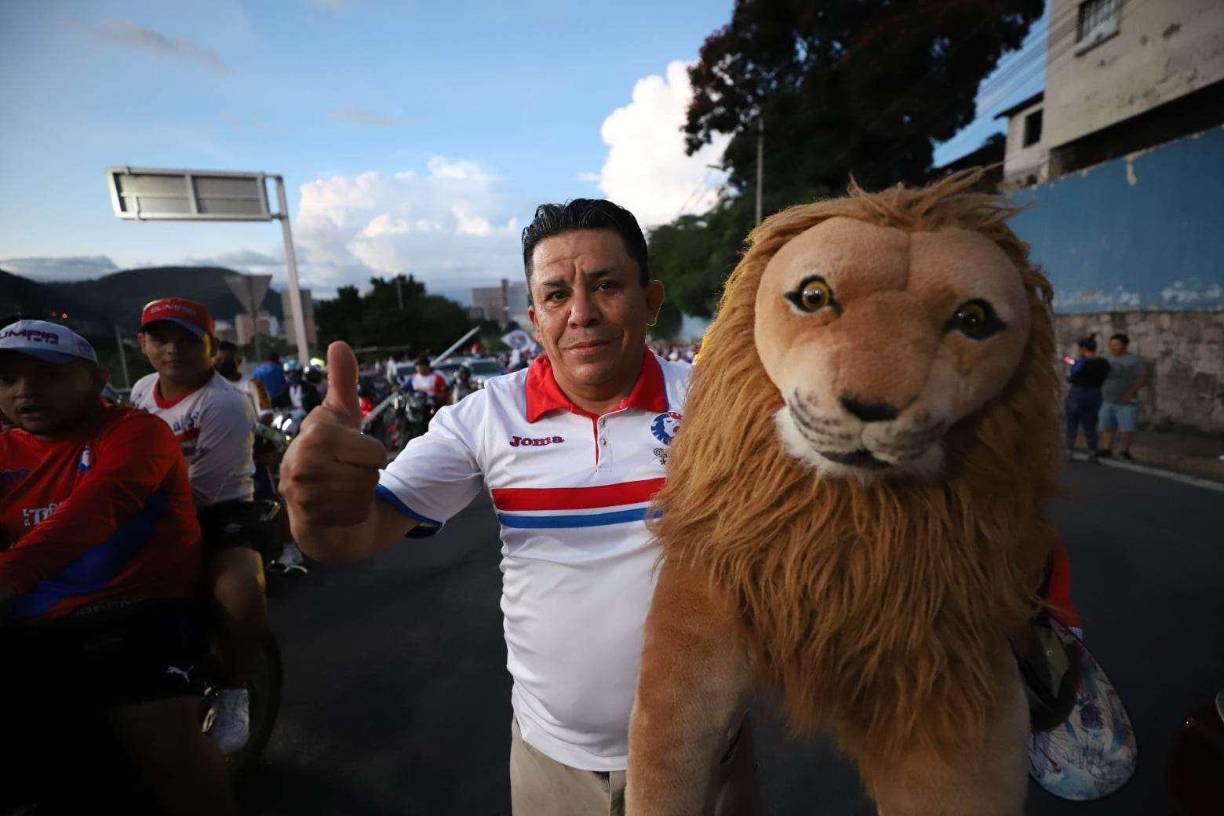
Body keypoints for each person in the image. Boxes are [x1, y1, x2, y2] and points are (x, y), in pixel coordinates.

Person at [279, 198, 755, 815]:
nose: (581, 314)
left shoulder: (719, 404)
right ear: (535, 318)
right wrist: (315, 508)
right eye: (556, 295)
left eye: (607, 285)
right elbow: (350, 535)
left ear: (651, 298)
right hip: (553, 766)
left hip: (706, 757)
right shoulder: (485, 417)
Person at [0, 319, 235, 815]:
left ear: (97, 379)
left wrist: (10, 575)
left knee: (165, 750)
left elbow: (98, 509)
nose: (25, 391)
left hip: (136, 611)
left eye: (48, 375)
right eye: (7, 380)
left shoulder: (137, 432)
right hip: (29, 619)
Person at [128, 298, 265, 753]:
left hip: (218, 510)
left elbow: (202, 492)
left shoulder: (225, 404)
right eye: (161, 339)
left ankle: (234, 687)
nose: (173, 350)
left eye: (188, 340)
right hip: (142, 507)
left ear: (211, 347)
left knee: (239, 591)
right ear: (142, 343)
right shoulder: (143, 390)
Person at [1098, 333, 1148, 461]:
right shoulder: (1106, 359)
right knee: (1107, 426)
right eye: (1111, 345)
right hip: (1107, 399)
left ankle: (1124, 451)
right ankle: (1106, 449)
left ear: (1125, 345)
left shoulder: (1134, 360)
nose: (1113, 347)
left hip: (1126, 402)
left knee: (1127, 428)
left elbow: (1142, 379)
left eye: (1116, 345)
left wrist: (1130, 393)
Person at [1064, 336, 1111, 460]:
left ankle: (1069, 451)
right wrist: (1072, 361)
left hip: (1078, 394)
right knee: (1090, 424)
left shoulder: (1081, 362)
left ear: (1083, 348)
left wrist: (1068, 361)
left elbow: (1074, 374)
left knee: (1072, 423)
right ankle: (1092, 452)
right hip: (1095, 394)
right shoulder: (1103, 363)